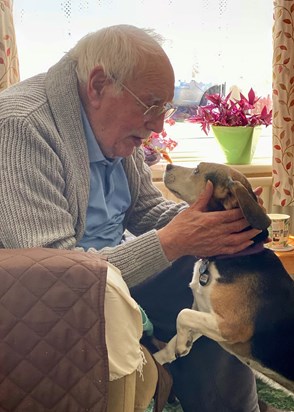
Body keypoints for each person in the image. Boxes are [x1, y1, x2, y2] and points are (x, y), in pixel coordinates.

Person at [0, 24, 275, 412]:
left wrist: (208, 221)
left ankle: (235, 399)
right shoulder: (20, 128)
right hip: (62, 294)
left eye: (164, 109)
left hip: (113, 272)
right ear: (98, 85)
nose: (159, 125)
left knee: (224, 260)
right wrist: (176, 241)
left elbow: (147, 210)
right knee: (200, 280)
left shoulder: (109, 127)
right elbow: (57, 279)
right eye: (151, 105)